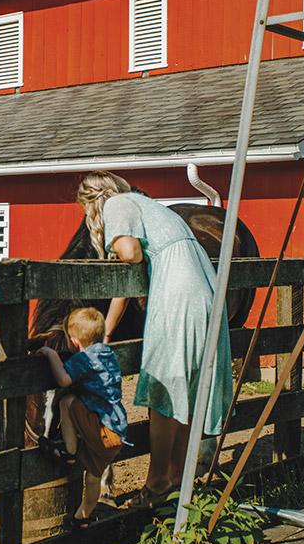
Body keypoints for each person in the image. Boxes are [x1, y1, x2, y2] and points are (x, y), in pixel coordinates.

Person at [76, 171, 233, 509]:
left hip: (177, 292)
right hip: (204, 284)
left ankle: (157, 480)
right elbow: (129, 277)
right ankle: (177, 476)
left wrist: (113, 241)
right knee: (188, 386)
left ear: (94, 201)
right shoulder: (151, 208)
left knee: (163, 387)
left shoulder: (117, 204)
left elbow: (129, 253)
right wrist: (107, 330)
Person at [36, 307, 130, 527]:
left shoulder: (85, 358)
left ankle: (68, 450)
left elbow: (63, 380)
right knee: (94, 476)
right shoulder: (108, 354)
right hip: (118, 433)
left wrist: (52, 355)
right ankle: (82, 516)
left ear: (75, 343)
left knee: (66, 401)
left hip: (101, 430)